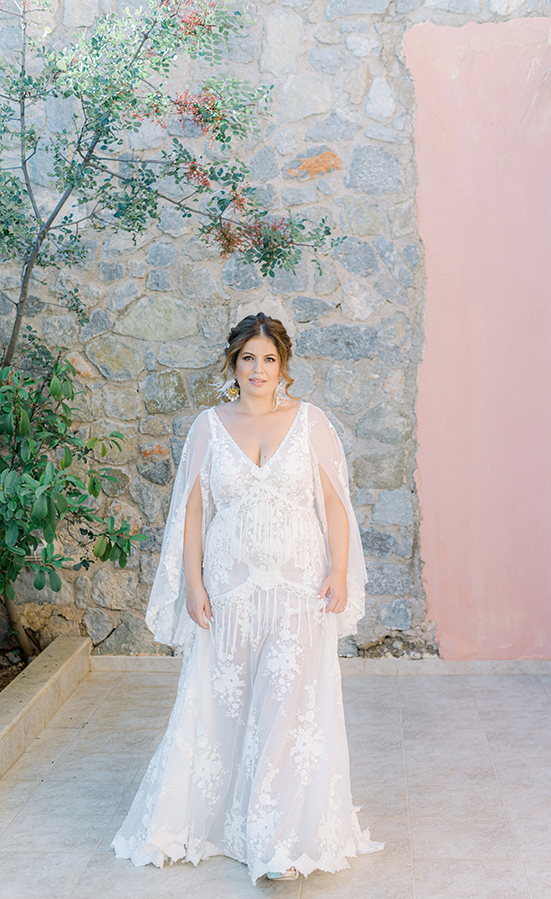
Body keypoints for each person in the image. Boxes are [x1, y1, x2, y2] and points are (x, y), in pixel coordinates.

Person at [111, 312, 383, 883]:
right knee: (224, 707)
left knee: (287, 710)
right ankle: (222, 822)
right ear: (233, 364)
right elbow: (191, 510)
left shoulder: (311, 423)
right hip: (230, 594)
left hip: (298, 590)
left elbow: (336, 504)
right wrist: (193, 583)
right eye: (248, 358)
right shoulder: (209, 427)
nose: (258, 369)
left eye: (269, 359)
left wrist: (338, 569)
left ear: (283, 366)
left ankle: (277, 842)